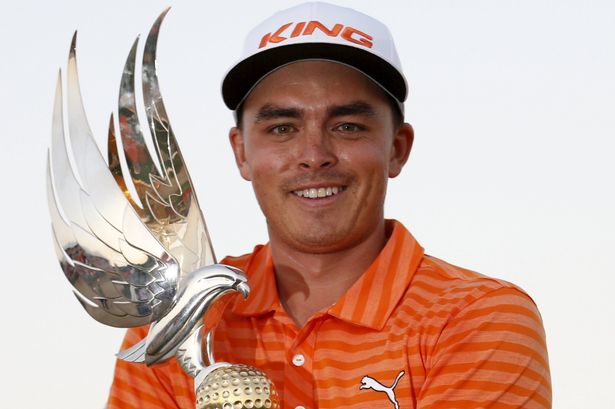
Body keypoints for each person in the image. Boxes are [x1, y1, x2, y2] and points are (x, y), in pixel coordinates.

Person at [108, 2, 551, 408]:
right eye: (282, 128)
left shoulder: (478, 317)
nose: (314, 153)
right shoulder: (177, 321)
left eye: (348, 126)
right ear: (241, 153)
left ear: (397, 148)